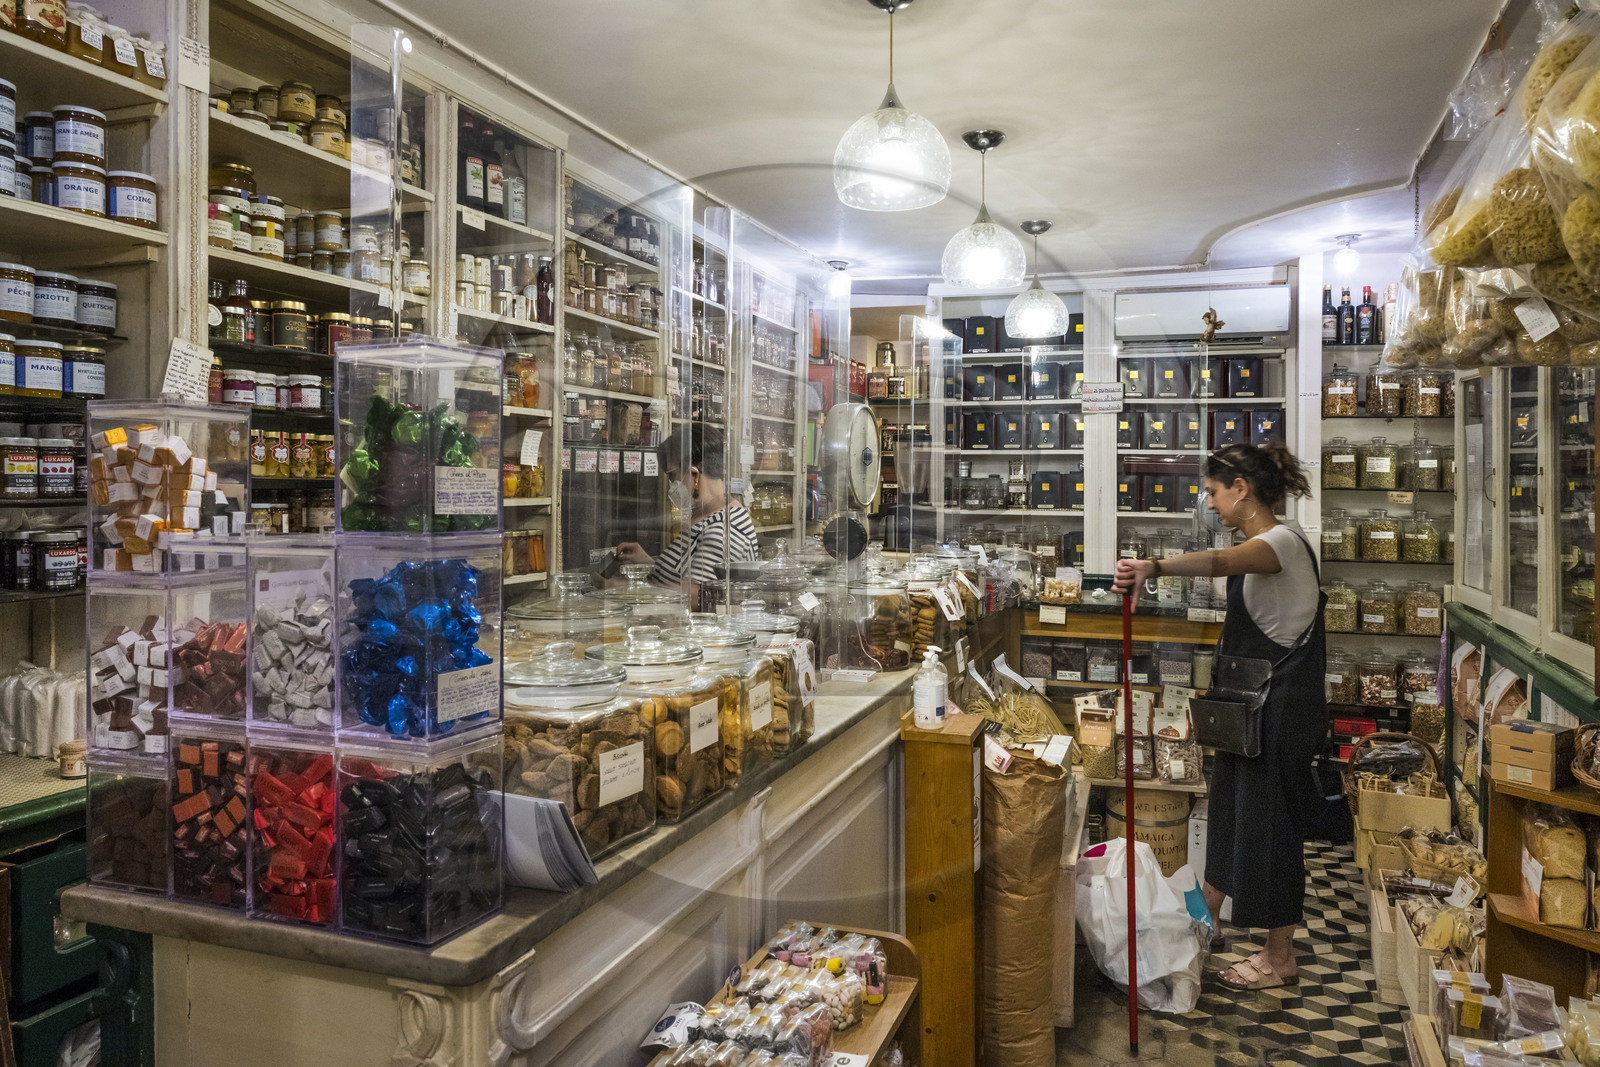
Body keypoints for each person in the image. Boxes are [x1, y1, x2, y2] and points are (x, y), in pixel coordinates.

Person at [1112, 442, 1326, 992]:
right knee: (1232, 816)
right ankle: (1203, 918)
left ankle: (1279, 957)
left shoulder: (1281, 541)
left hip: (1276, 719)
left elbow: (1224, 562)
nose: (1209, 503)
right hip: (1247, 715)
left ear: (1242, 489)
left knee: (1272, 833)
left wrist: (1154, 566)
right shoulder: (1263, 542)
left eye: (1213, 492)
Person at [614, 423, 758, 611]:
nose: (671, 484)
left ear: (694, 474)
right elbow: (685, 576)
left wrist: (619, 590)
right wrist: (649, 564)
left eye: (672, 476)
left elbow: (695, 598)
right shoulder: (709, 516)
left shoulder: (724, 531)